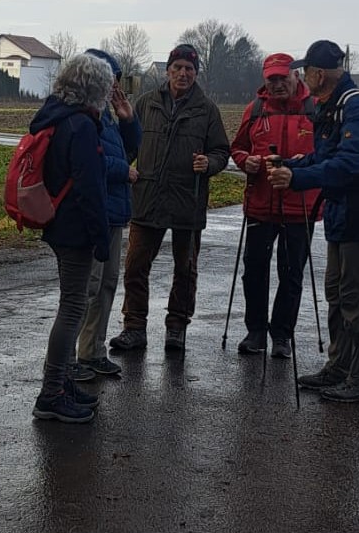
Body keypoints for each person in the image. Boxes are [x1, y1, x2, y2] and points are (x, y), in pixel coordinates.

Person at [268, 39, 359, 404]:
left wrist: (297, 178)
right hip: (342, 215)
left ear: (319, 74)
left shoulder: (354, 107)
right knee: (337, 294)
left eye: (305, 71)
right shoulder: (334, 105)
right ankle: (339, 368)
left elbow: (348, 165)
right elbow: (324, 156)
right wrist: (291, 166)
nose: (302, 77)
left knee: (356, 299)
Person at [111, 43, 231, 354]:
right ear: (167, 70)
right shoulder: (147, 103)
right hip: (148, 196)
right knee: (135, 266)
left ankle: (177, 327)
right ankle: (134, 328)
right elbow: (129, 144)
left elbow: (221, 151)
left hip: (188, 199)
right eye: (177, 67)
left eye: (189, 69)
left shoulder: (207, 110)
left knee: (186, 269)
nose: (183, 74)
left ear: (196, 73)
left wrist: (209, 163)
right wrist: (120, 168)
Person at [28, 52, 113, 423]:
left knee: (71, 304)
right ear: (96, 88)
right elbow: (89, 187)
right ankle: (51, 393)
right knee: (73, 307)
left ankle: (60, 383)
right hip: (75, 228)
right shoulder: (81, 125)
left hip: (58, 222)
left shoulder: (57, 116)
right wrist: (101, 237)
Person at [230, 53, 318, 360]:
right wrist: (247, 162)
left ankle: (282, 335)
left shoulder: (314, 109)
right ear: (265, 81)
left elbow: (329, 151)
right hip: (260, 203)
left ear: (296, 76)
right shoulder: (255, 109)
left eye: (283, 77)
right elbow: (238, 147)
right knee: (254, 271)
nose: (278, 84)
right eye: (272, 79)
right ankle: (255, 332)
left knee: (291, 274)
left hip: (300, 205)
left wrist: (306, 164)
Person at [72, 49, 143, 382]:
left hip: (113, 210)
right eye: (110, 79)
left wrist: (128, 120)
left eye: (117, 80)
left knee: (107, 284)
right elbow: (92, 161)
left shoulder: (108, 116)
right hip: (92, 212)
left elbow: (129, 151)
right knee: (88, 286)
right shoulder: (81, 114)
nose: (115, 86)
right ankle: (71, 358)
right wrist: (122, 172)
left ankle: (93, 351)